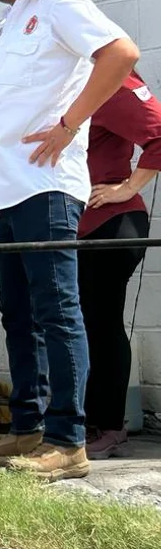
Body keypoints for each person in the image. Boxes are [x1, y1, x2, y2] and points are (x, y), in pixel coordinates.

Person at [0, 0, 139, 480]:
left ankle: (68, 440)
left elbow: (121, 53)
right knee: (18, 315)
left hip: (46, 188)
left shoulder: (60, 1)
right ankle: (27, 428)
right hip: (7, 192)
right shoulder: (12, 21)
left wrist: (69, 124)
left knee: (58, 313)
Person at [77, 71, 161, 459]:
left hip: (112, 223)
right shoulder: (63, 81)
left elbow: (159, 134)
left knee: (101, 320)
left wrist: (126, 187)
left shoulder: (112, 82)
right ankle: (86, 420)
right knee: (81, 323)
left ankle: (110, 426)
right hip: (76, 225)